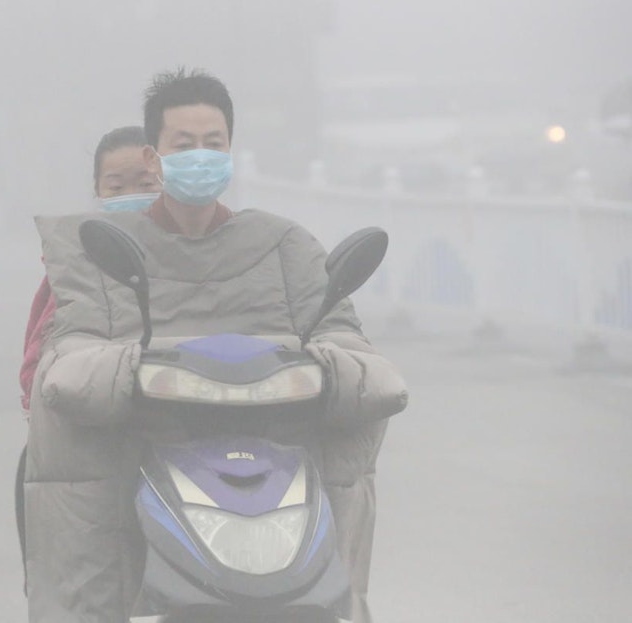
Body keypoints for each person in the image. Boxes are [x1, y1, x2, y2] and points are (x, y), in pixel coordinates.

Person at [23, 68, 408, 623]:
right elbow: (68, 356)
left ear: (231, 150)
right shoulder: (96, 253)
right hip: (141, 468)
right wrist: (125, 369)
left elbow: (344, 337)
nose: (200, 157)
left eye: (213, 143)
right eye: (184, 145)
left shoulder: (284, 247)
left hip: (274, 469)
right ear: (154, 157)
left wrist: (338, 367)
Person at [16, 125, 161, 584]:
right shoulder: (74, 263)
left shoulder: (205, 251)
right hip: (100, 418)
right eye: (116, 187)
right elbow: (40, 351)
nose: (132, 196)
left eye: (146, 183)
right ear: (97, 192)